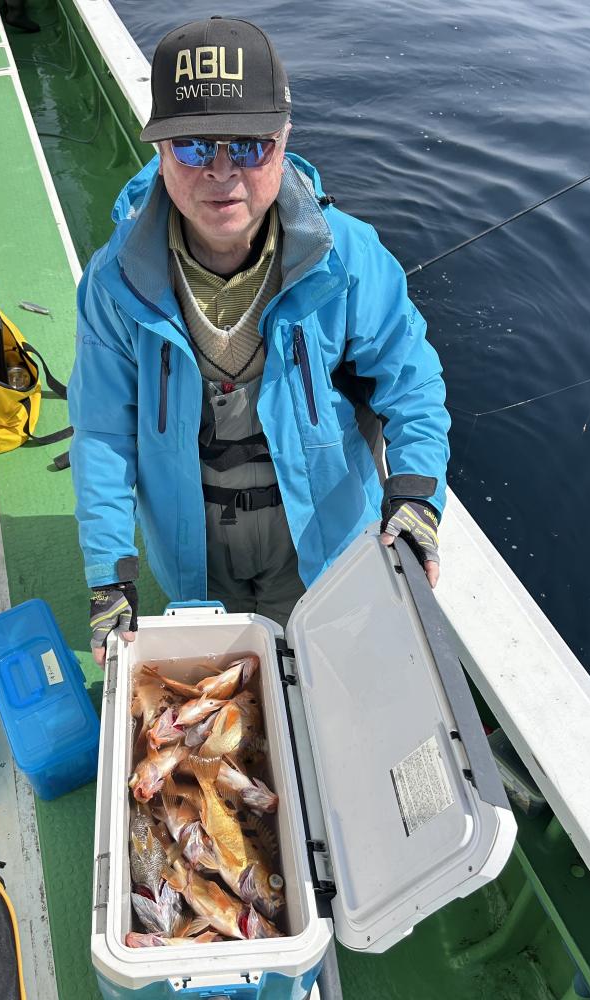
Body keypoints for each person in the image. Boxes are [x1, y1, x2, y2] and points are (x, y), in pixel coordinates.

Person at [68, 17, 450, 666]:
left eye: (248, 146)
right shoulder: (113, 283)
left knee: (325, 669)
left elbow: (411, 386)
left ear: (284, 139)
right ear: (158, 148)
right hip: (192, 548)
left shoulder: (351, 256)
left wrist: (415, 497)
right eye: (193, 146)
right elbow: (103, 433)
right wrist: (110, 572)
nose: (222, 172)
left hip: (321, 542)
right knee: (225, 683)